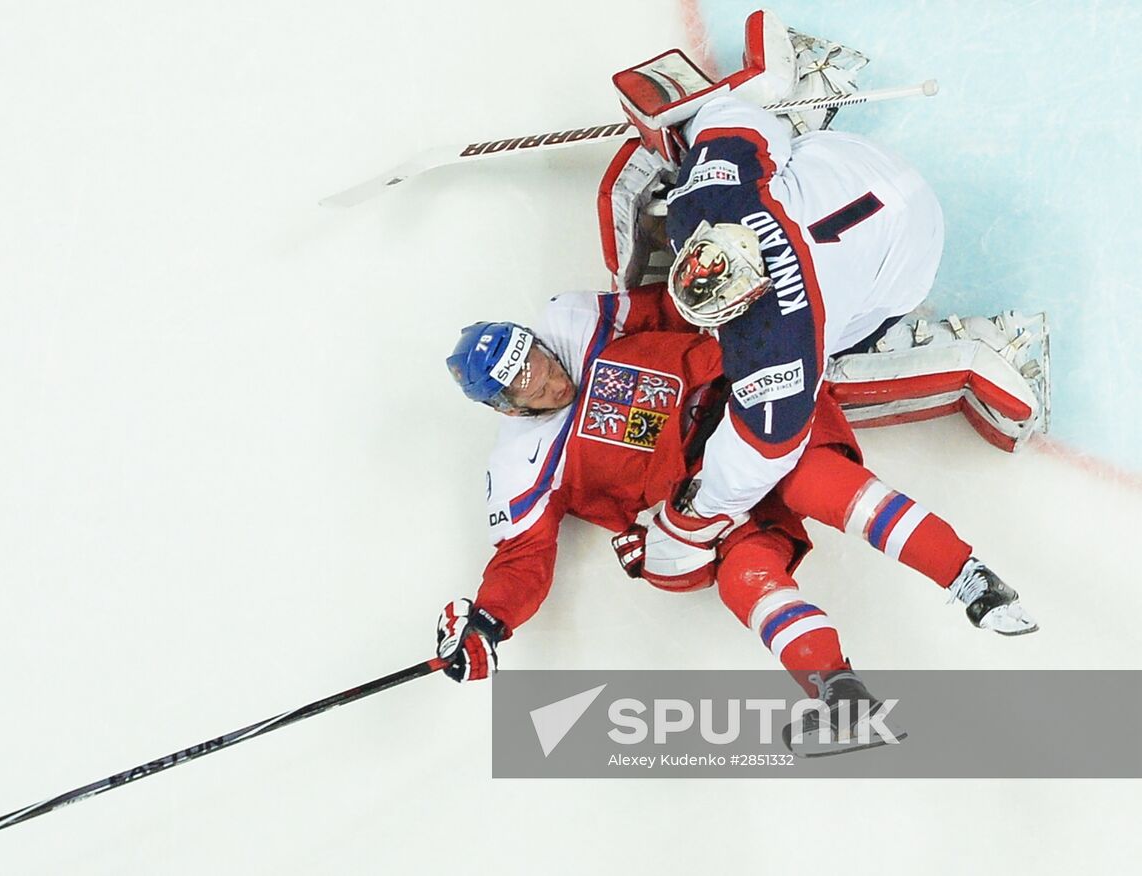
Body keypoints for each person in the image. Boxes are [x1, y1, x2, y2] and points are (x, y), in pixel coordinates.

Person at [436, 285, 1038, 753]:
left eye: (537, 357)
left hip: (748, 412)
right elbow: (522, 558)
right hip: (701, 510)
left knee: (825, 486)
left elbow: (672, 305)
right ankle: (838, 691)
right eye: (527, 384)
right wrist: (488, 622)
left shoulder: (575, 320)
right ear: (504, 406)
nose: (549, 376)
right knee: (743, 578)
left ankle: (971, 578)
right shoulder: (521, 463)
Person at [590, 12, 1049, 589]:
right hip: (864, 168)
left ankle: (968, 347)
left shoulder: (773, 340)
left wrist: (688, 521)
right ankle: (799, 95)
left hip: (911, 258)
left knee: (831, 359)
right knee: (766, 155)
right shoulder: (706, 205)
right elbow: (733, 115)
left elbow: (759, 453)